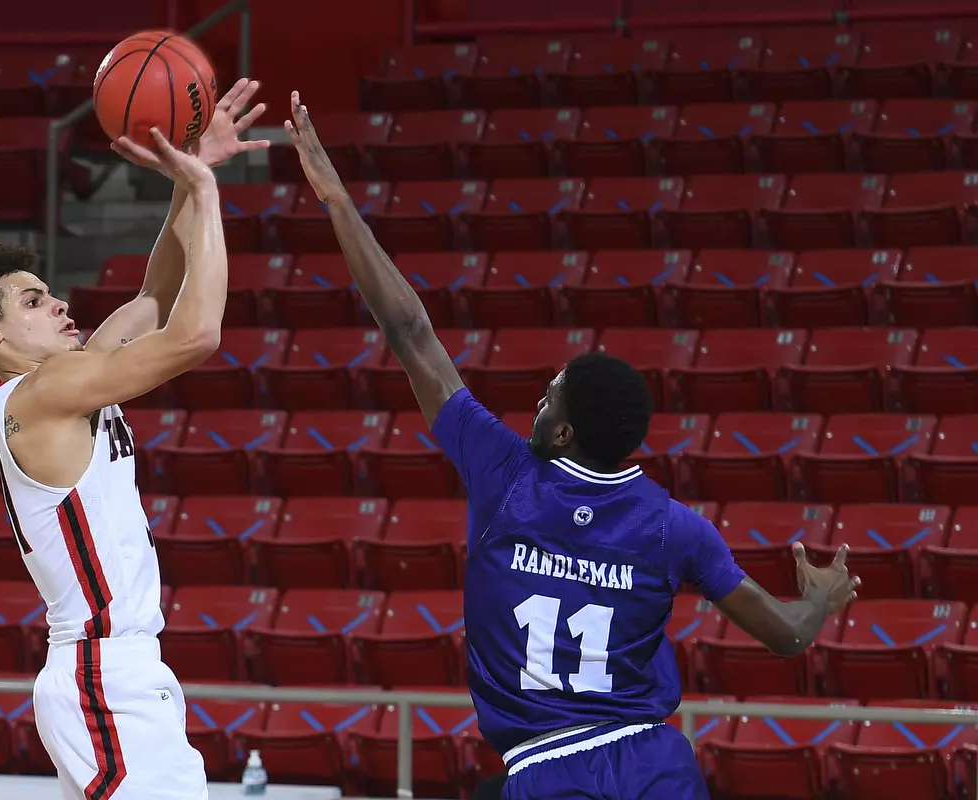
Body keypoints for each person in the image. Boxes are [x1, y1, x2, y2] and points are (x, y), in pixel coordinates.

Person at [282, 90, 861, 800]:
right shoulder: (673, 526)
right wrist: (821, 601)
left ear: (562, 433)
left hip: (548, 769)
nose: (537, 398)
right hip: (653, 762)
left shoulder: (503, 474)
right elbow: (787, 638)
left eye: (549, 395)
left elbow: (410, 334)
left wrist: (338, 199)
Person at [0, 79, 269, 800]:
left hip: (119, 670)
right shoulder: (43, 393)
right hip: (101, 672)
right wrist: (206, 194)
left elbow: (152, 295)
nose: (57, 303)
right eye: (31, 300)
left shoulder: (69, 377)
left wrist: (185, 174)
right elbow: (196, 333)